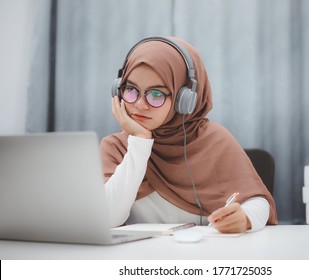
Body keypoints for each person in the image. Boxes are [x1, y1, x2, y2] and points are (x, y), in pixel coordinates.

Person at [99, 36, 277, 233]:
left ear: (184, 100)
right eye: (130, 90)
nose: (140, 104)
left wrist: (245, 217)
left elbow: (258, 202)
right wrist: (139, 142)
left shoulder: (214, 140)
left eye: (156, 94)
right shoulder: (116, 146)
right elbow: (107, 218)